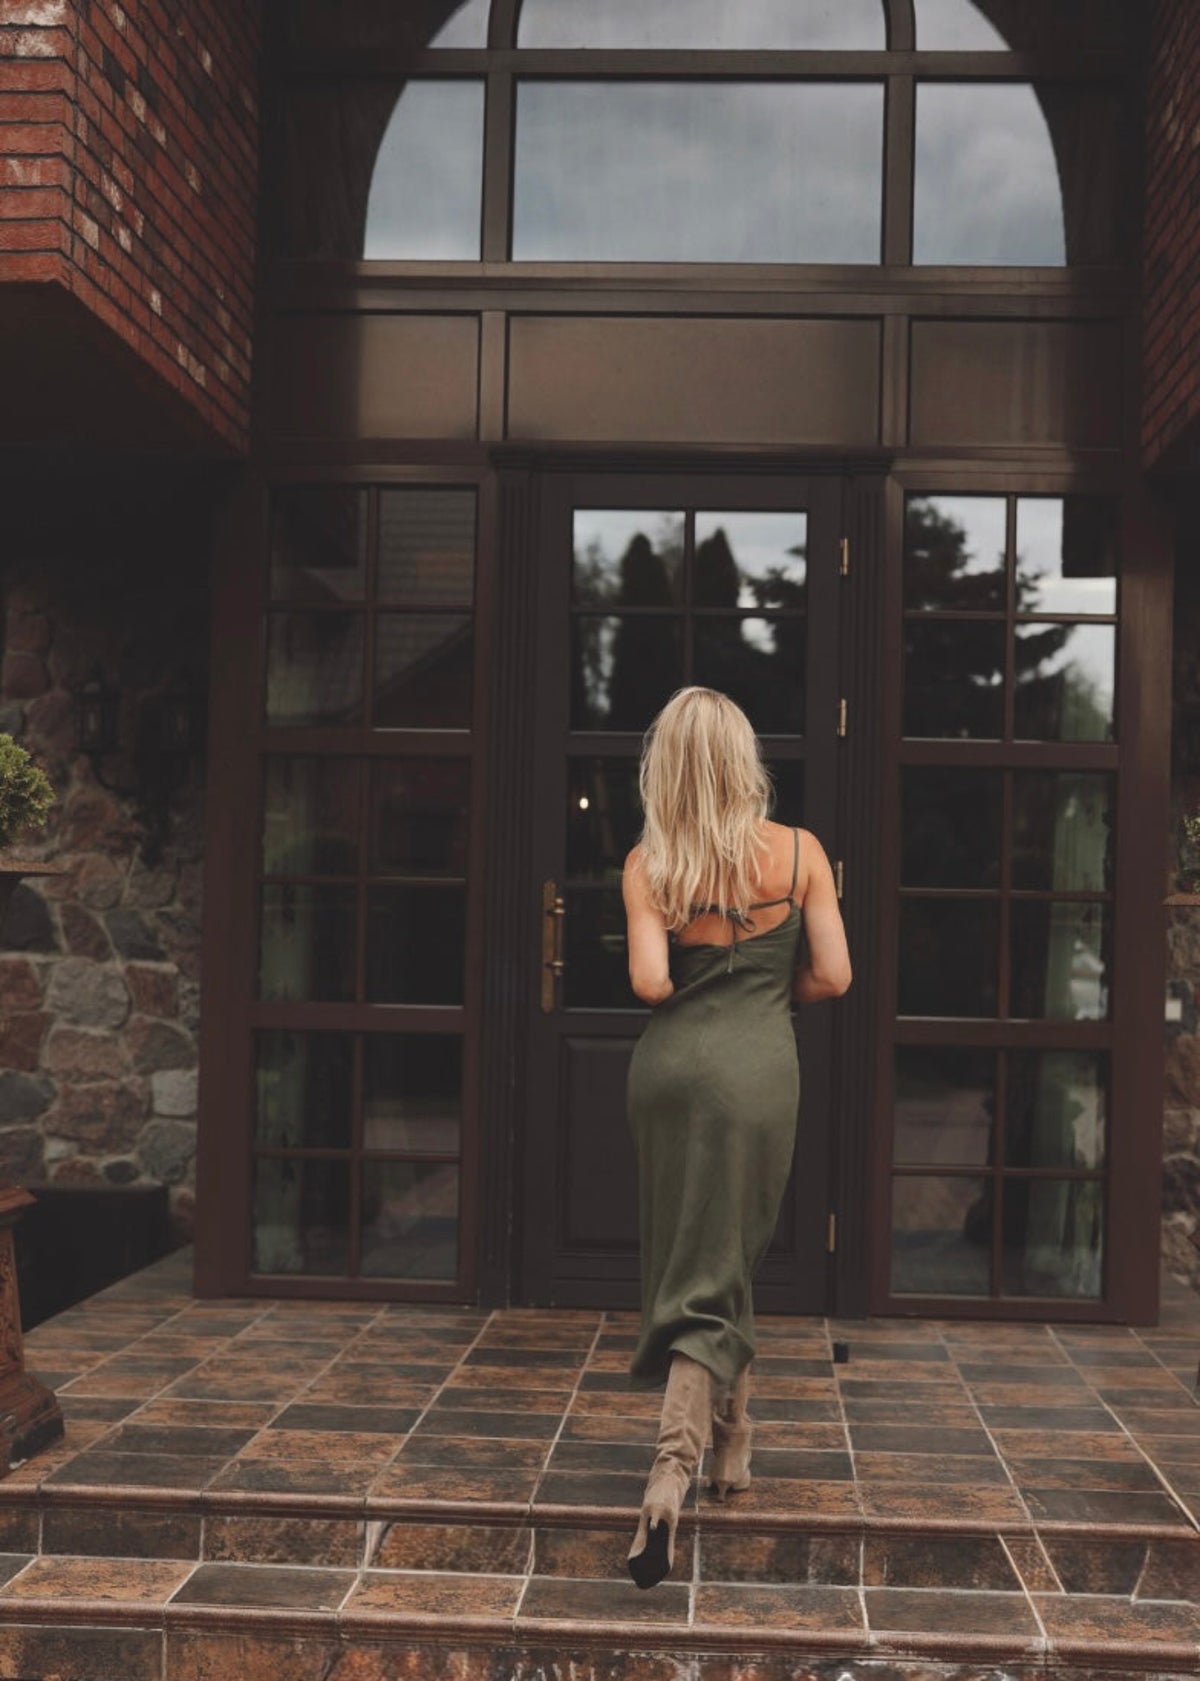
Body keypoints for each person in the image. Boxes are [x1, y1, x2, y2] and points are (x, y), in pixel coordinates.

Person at [621, 686, 852, 1590]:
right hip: (761, 1070)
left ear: (668, 766)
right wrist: (764, 997)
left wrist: (694, 977)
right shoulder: (798, 853)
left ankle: (733, 1450)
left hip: (671, 1072)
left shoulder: (649, 863)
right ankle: (670, 1469)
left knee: (707, 1249)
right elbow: (834, 974)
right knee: (719, 1258)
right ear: (741, 757)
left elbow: (648, 981)